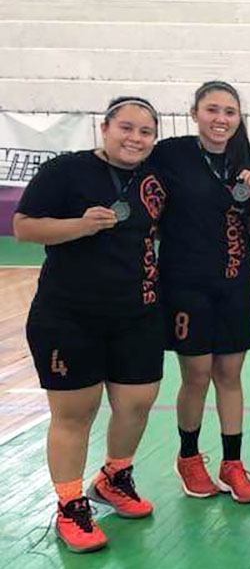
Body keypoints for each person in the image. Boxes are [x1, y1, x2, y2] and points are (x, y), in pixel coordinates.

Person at [14, 97, 165, 553]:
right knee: (75, 414)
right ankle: (69, 504)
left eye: (145, 131)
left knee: (137, 403)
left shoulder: (155, 178)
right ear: (104, 128)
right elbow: (24, 227)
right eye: (126, 127)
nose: (135, 138)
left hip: (137, 312)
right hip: (69, 316)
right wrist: (78, 226)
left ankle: (114, 477)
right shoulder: (66, 171)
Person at [152, 82, 250, 503]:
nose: (221, 119)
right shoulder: (171, 155)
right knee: (197, 375)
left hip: (235, 283)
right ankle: (188, 457)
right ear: (194, 112)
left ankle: (232, 464)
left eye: (230, 112)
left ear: (239, 118)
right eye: (212, 110)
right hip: (186, 284)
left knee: (230, 375)